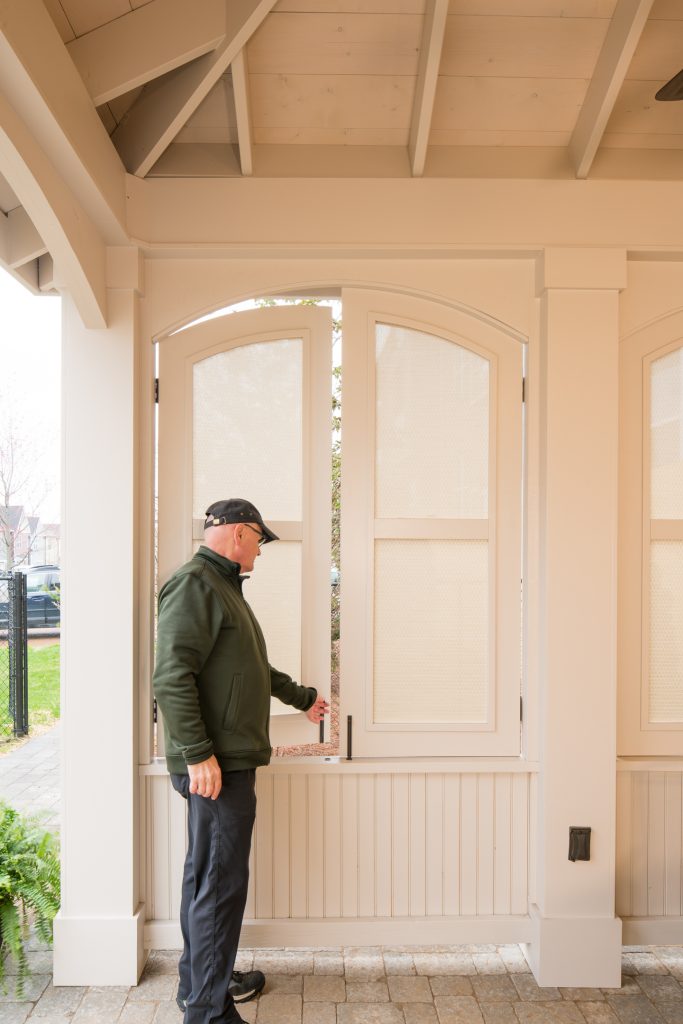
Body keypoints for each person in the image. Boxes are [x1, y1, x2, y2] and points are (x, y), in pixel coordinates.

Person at [153, 498, 329, 1024]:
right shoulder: (196, 585)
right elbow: (171, 676)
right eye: (259, 539)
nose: (260, 549)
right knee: (220, 885)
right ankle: (208, 1012)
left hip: (222, 760)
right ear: (236, 533)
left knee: (205, 876)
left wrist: (302, 697)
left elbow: (250, 666)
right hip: (216, 764)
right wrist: (197, 753)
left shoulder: (223, 587)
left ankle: (201, 981)